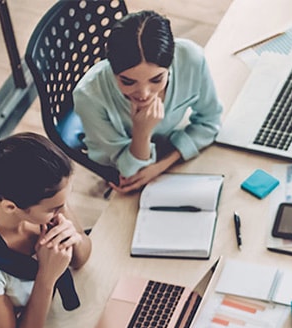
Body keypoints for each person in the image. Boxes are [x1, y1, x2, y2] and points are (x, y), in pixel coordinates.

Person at [73, 10, 223, 193]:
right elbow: (132, 172)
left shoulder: (191, 59)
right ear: (112, 68)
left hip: (163, 150)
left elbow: (211, 120)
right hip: (119, 159)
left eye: (157, 80)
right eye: (128, 82)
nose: (144, 94)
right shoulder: (88, 96)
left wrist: (160, 166)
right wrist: (141, 131)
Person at [0, 133, 92, 328]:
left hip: (49, 326)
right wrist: (47, 276)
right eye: (56, 208)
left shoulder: (46, 197)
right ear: (11, 207)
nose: (62, 210)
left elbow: (82, 259)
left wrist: (74, 238)